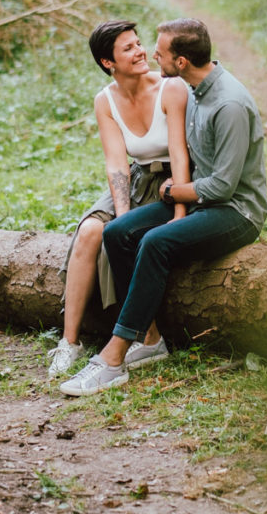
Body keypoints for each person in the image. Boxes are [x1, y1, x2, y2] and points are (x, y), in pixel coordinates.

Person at [59, 18, 267, 397]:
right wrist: (175, 195)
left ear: (182, 61)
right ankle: (149, 339)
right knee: (117, 232)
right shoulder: (194, 90)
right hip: (200, 198)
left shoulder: (229, 103)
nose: (151, 55)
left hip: (236, 211)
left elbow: (222, 187)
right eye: (138, 47)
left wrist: (175, 196)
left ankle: (113, 358)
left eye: (159, 51)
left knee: (155, 242)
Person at [48, 19, 190, 378]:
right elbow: (117, 164)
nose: (141, 52)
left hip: (173, 181)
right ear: (107, 62)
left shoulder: (169, 87)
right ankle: (70, 343)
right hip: (138, 179)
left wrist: (178, 206)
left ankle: (145, 336)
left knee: (128, 234)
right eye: (128, 48)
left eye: (139, 44)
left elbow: (180, 153)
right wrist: (123, 215)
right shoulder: (105, 100)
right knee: (91, 232)